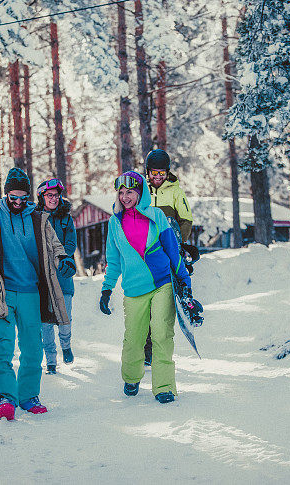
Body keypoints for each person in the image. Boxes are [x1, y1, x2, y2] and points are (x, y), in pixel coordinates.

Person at [0, 167, 77, 420]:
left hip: (30, 292)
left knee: (33, 347)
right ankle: (4, 396)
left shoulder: (38, 217)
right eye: (13, 197)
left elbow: (54, 245)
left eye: (23, 198)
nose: (18, 202)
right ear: (5, 195)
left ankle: (28, 395)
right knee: (3, 347)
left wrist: (64, 260)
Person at [98, 171, 192, 404]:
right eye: (121, 192)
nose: (125, 196)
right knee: (134, 339)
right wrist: (107, 289)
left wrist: (184, 282)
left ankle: (164, 387)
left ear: (140, 192)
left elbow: (173, 250)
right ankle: (131, 377)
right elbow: (113, 259)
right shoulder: (114, 222)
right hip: (133, 289)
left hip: (162, 283)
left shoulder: (157, 215)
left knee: (162, 334)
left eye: (130, 191)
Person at [143, 148, 194, 366]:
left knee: (163, 302)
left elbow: (186, 220)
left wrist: (177, 243)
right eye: (154, 174)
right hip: (145, 253)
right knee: (146, 302)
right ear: (148, 173)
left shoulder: (175, 191)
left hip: (169, 249)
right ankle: (146, 350)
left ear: (167, 173)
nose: (157, 178)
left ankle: (186, 300)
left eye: (161, 174)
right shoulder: (141, 190)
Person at [35, 177, 77, 374]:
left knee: (64, 316)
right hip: (42, 277)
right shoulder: (34, 218)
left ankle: (66, 345)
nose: (53, 199)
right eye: (49, 195)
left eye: (56, 195)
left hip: (62, 274)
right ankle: (51, 359)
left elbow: (70, 243)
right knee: (45, 322)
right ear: (42, 197)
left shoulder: (66, 218)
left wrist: (64, 259)